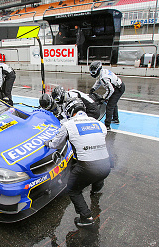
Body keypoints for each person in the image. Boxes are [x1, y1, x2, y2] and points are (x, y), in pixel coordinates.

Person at [44, 98, 111, 227]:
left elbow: (56, 144)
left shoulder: (68, 125)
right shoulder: (99, 124)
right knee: (98, 173)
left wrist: (47, 143)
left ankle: (86, 217)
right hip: (106, 165)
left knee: (72, 189)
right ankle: (96, 188)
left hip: (87, 166)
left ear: (69, 111)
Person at [89, 61, 125, 130]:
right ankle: (115, 119)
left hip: (118, 88)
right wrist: (93, 89)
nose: (92, 74)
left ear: (98, 70)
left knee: (109, 106)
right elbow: (98, 82)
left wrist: (104, 98)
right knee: (113, 103)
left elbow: (110, 90)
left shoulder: (104, 78)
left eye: (93, 72)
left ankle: (107, 125)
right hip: (117, 86)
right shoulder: (102, 72)